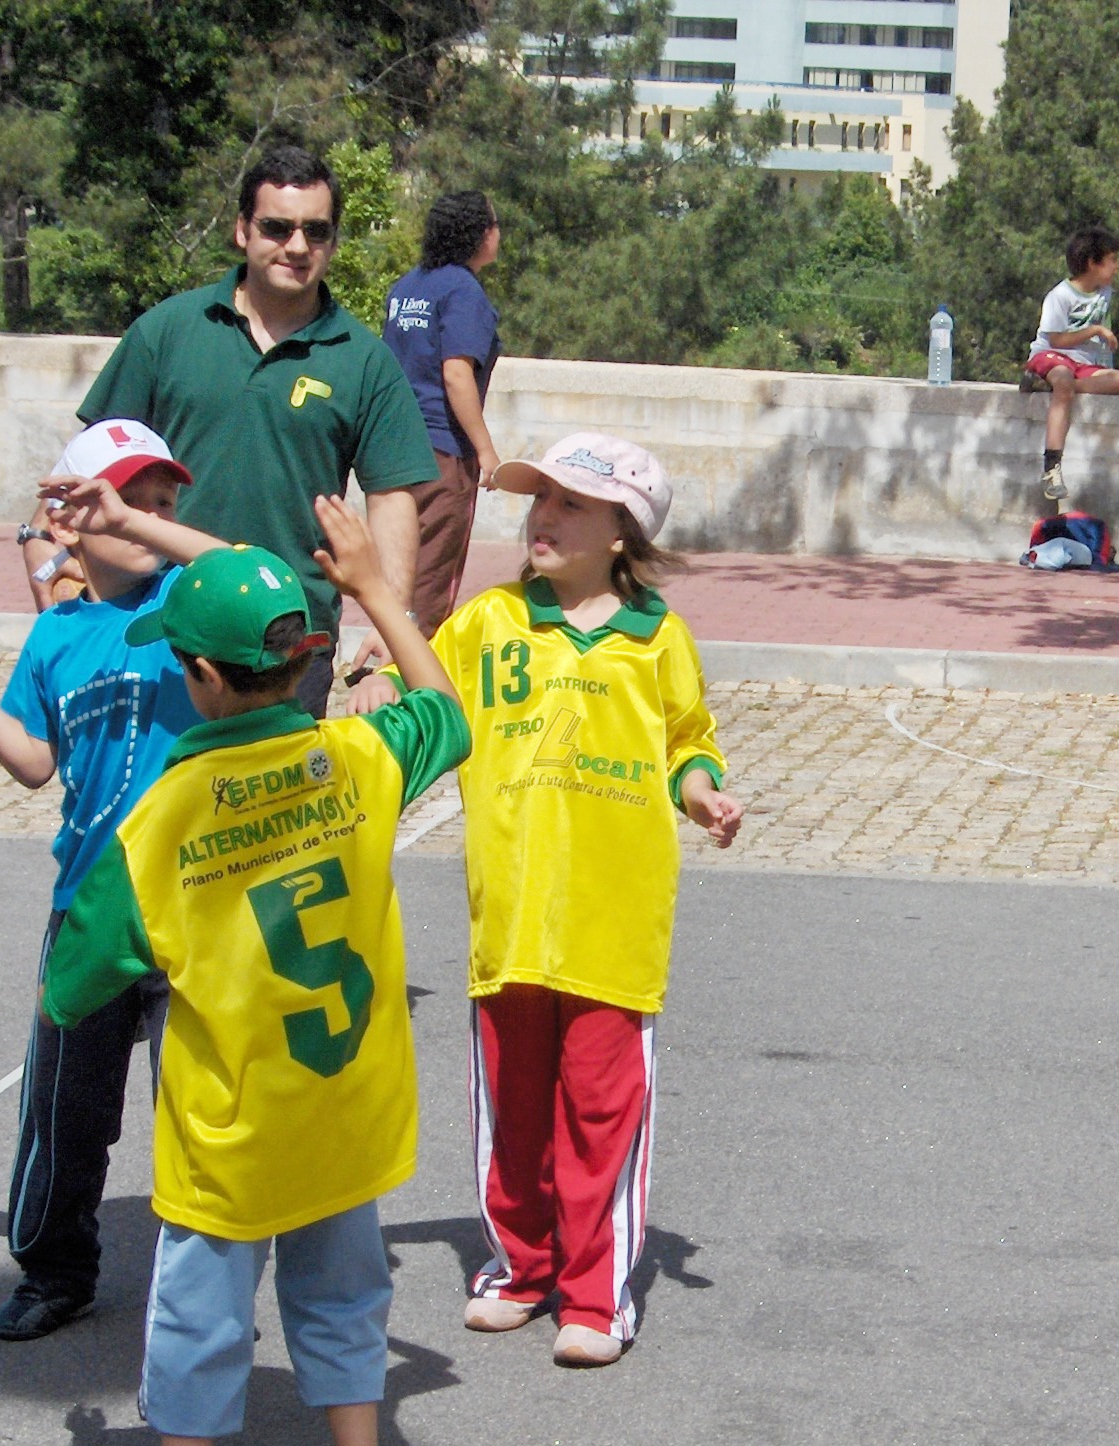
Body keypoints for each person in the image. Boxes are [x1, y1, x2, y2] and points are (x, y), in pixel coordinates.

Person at [48, 513, 470, 1446]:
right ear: (304, 659)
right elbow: (447, 714)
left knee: (197, 1317)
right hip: (343, 1110)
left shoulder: (163, 818)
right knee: (343, 1298)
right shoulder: (356, 758)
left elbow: (73, 984)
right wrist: (379, 590)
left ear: (199, 675)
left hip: (229, 1133)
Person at [368, 434, 739, 1367]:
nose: (545, 516)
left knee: (600, 1113)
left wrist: (701, 793)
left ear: (622, 532)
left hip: (615, 924)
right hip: (511, 918)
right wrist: (380, 676)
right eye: (540, 499)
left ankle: (595, 1294)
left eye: (572, 503)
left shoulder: (659, 639)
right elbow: (426, 691)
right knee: (515, 1108)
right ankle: (520, 1268)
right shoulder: (489, 621)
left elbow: (689, 741)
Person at [0, 421, 222, 1341]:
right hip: (89, 910)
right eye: (123, 497)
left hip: (196, 902)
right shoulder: (56, 637)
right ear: (68, 519)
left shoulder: (190, 602)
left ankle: (206, 1280)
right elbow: (35, 763)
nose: (146, 513)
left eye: (160, 501)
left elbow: (248, 568)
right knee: (65, 1111)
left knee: (201, 1107)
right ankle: (54, 1269)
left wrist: (137, 524)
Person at [77, 144, 438, 718]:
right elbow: (91, 465)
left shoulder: (366, 361)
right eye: (277, 227)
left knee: (280, 780)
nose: (297, 246)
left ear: (333, 242)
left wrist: (392, 622)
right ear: (242, 229)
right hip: (161, 621)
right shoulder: (167, 331)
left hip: (288, 640)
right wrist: (56, 563)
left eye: (316, 231)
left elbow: (393, 498)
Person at [382, 190, 505, 631]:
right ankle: (412, 666)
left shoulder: (407, 287)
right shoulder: (463, 291)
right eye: (495, 224)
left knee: (396, 574)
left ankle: (387, 653)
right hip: (442, 453)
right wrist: (485, 450)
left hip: (394, 447)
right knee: (432, 581)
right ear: (480, 234)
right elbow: (456, 373)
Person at [1022, 225, 1119, 503]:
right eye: (1112, 260)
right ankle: (1052, 467)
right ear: (1092, 263)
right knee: (1062, 378)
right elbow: (1057, 339)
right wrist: (1094, 331)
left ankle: (1048, 385)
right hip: (1052, 355)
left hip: (1083, 364)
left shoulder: (1105, 293)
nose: (1117, 266)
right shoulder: (1060, 296)